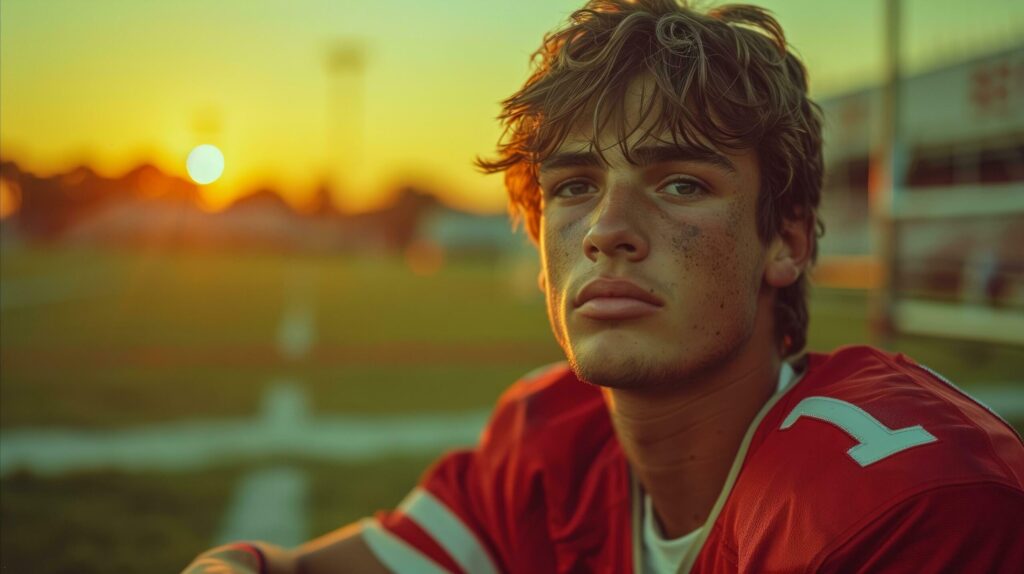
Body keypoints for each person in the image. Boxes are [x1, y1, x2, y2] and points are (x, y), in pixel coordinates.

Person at [183, 1, 1024, 572]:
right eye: (575, 185)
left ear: (788, 240)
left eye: (681, 183)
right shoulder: (554, 444)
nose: (605, 229)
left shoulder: (896, 507)